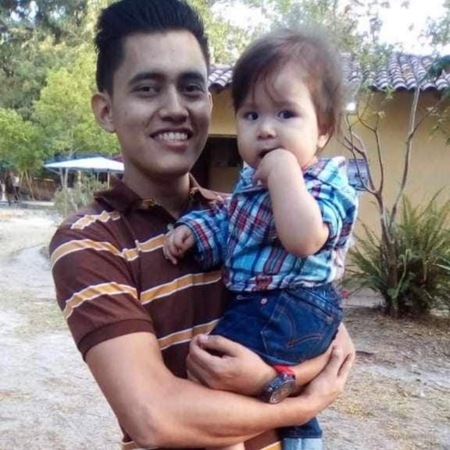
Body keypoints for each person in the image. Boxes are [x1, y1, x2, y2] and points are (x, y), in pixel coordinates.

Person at [49, 1, 355, 449]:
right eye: (148, 89)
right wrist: (300, 404)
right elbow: (155, 417)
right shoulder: (91, 241)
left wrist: (271, 378)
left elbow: (334, 347)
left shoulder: (247, 213)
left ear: (209, 103)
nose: (175, 108)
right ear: (106, 110)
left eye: (191, 88)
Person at [164, 28, 358, 450]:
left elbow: (304, 239)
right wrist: (193, 232)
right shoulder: (250, 184)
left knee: (211, 374)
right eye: (251, 115)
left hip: (293, 303)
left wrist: (284, 172)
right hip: (269, 305)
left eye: (286, 114)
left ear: (322, 130)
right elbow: (230, 227)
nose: (266, 129)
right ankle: (303, 436)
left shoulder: (324, 181)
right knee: (269, 390)